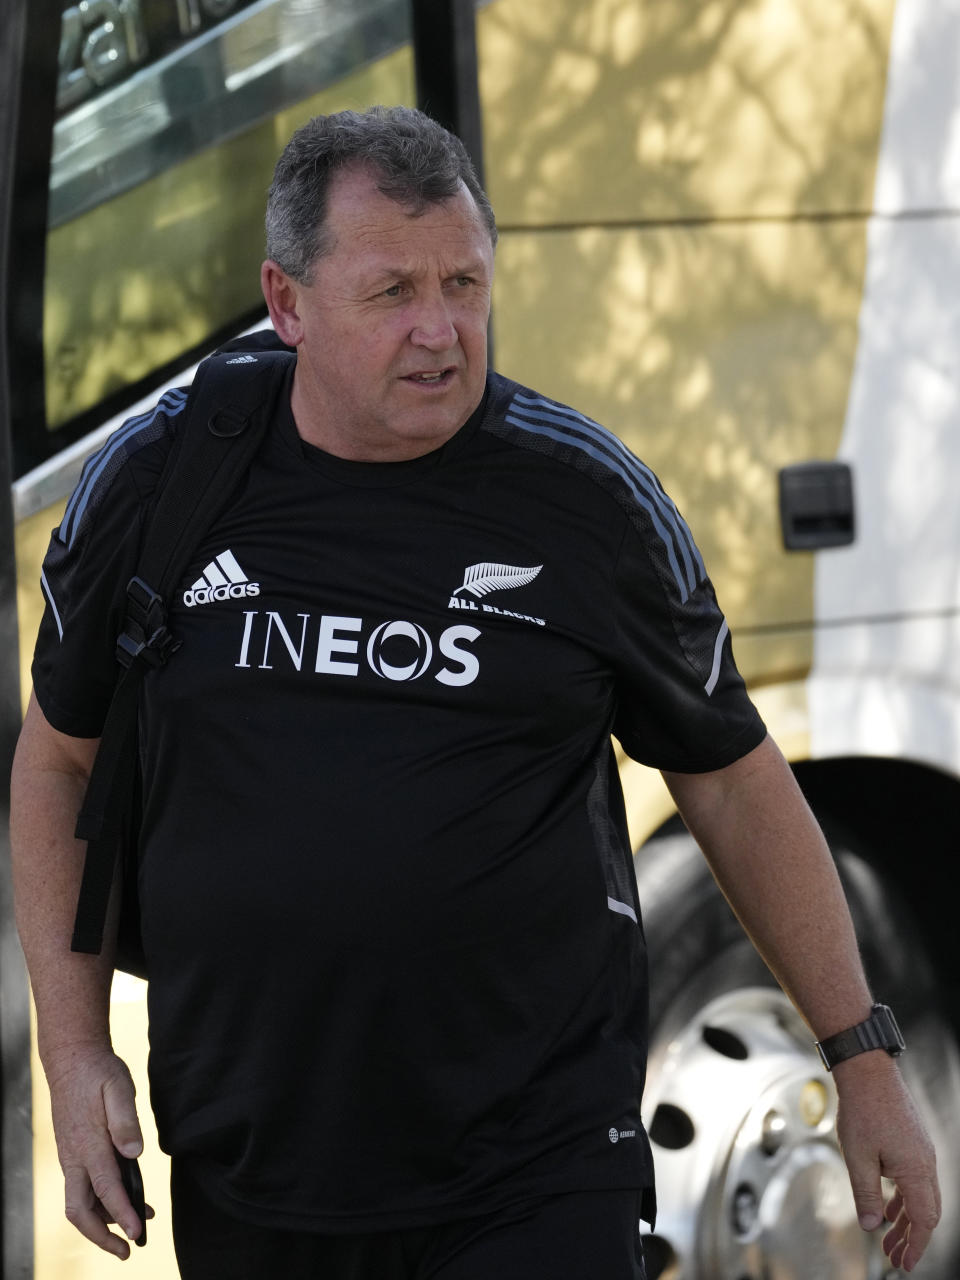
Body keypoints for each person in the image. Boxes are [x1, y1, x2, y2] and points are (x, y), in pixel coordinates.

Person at [10, 105, 940, 1279]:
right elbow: (57, 761)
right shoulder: (162, 478)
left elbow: (737, 782)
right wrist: (74, 1041)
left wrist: (861, 1056)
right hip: (252, 1166)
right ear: (287, 303)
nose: (442, 330)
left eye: (465, 282)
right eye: (393, 292)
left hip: (533, 1171)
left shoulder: (585, 500)